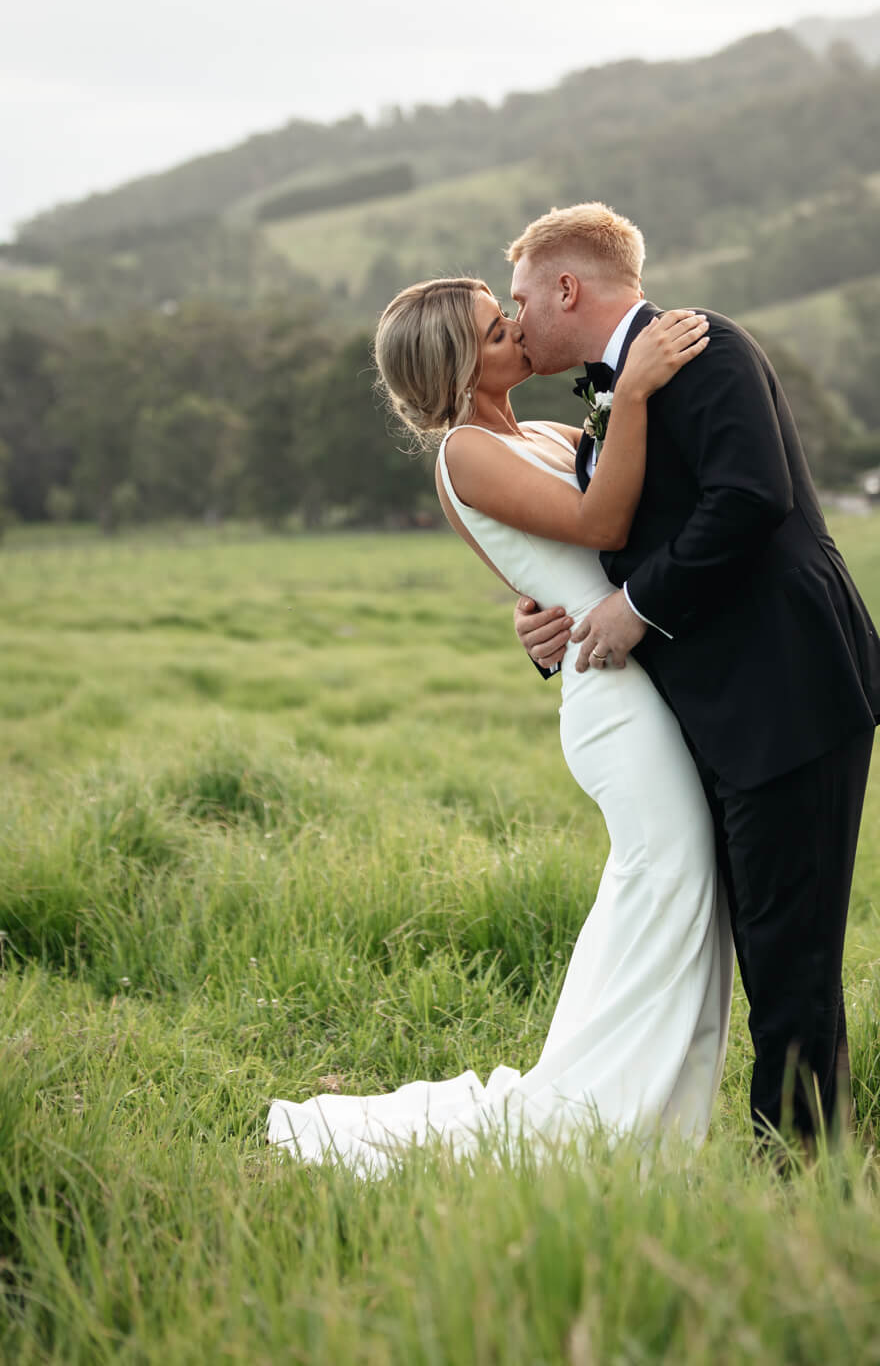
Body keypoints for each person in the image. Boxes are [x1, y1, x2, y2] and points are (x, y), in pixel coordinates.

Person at [267, 276, 733, 1175]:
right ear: (453, 368)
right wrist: (633, 389)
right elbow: (601, 519)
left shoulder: (550, 435)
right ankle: (597, 1123)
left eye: (504, 315)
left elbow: (608, 544)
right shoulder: (465, 454)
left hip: (635, 672)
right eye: (492, 333)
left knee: (664, 889)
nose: (517, 330)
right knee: (669, 878)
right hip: (614, 703)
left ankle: (628, 1109)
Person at [509, 203, 880, 1149]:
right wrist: (552, 615)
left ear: (567, 288)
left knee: (790, 965)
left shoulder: (705, 347)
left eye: (520, 299)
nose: (515, 320)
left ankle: (803, 1181)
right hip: (723, 715)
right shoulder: (613, 401)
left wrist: (635, 608)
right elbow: (621, 536)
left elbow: (749, 498)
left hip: (788, 695)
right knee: (764, 953)